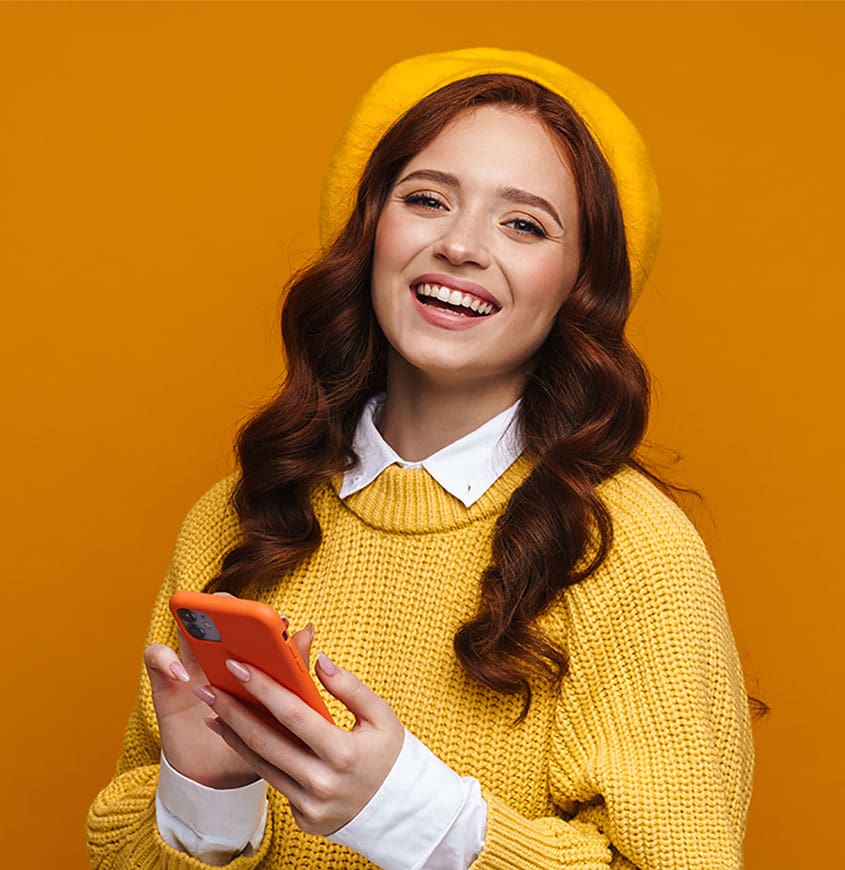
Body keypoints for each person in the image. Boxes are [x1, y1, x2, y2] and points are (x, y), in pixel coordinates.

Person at [87, 48, 754, 869]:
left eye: (524, 223)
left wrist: (412, 816)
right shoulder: (240, 514)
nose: (462, 246)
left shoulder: (628, 551)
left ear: (579, 283)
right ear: (371, 231)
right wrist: (208, 801)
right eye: (428, 199)